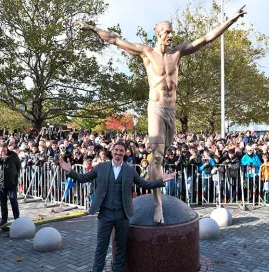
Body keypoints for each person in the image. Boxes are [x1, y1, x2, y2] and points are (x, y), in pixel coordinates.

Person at [77, 5, 247, 224]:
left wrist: (231, 19)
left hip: (171, 110)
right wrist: (91, 28)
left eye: (172, 32)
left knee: (162, 156)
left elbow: (206, 38)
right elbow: (114, 39)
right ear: (157, 33)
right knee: (156, 156)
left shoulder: (178, 53)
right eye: (167, 32)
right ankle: (158, 206)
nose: (170, 35)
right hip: (156, 108)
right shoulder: (146, 52)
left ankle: (150, 177)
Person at [58, 142, 175, 272]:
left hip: (122, 214)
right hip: (105, 214)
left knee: (121, 247)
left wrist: (161, 180)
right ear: (112, 151)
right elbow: (83, 178)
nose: (118, 153)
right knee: (101, 247)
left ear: (125, 153)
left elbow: (144, 184)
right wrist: (69, 170)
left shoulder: (130, 170)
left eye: (121, 151)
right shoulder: (101, 167)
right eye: (116, 150)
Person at [0, 143, 21, 227]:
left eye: (4, 151)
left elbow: (18, 166)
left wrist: (14, 176)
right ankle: (4, 219)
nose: (3, 152)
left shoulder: (13, 155)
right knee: (3, 203)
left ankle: (17, 219)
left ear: (7, 149)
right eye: (1, 151)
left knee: (14, 201)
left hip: (11, 183)